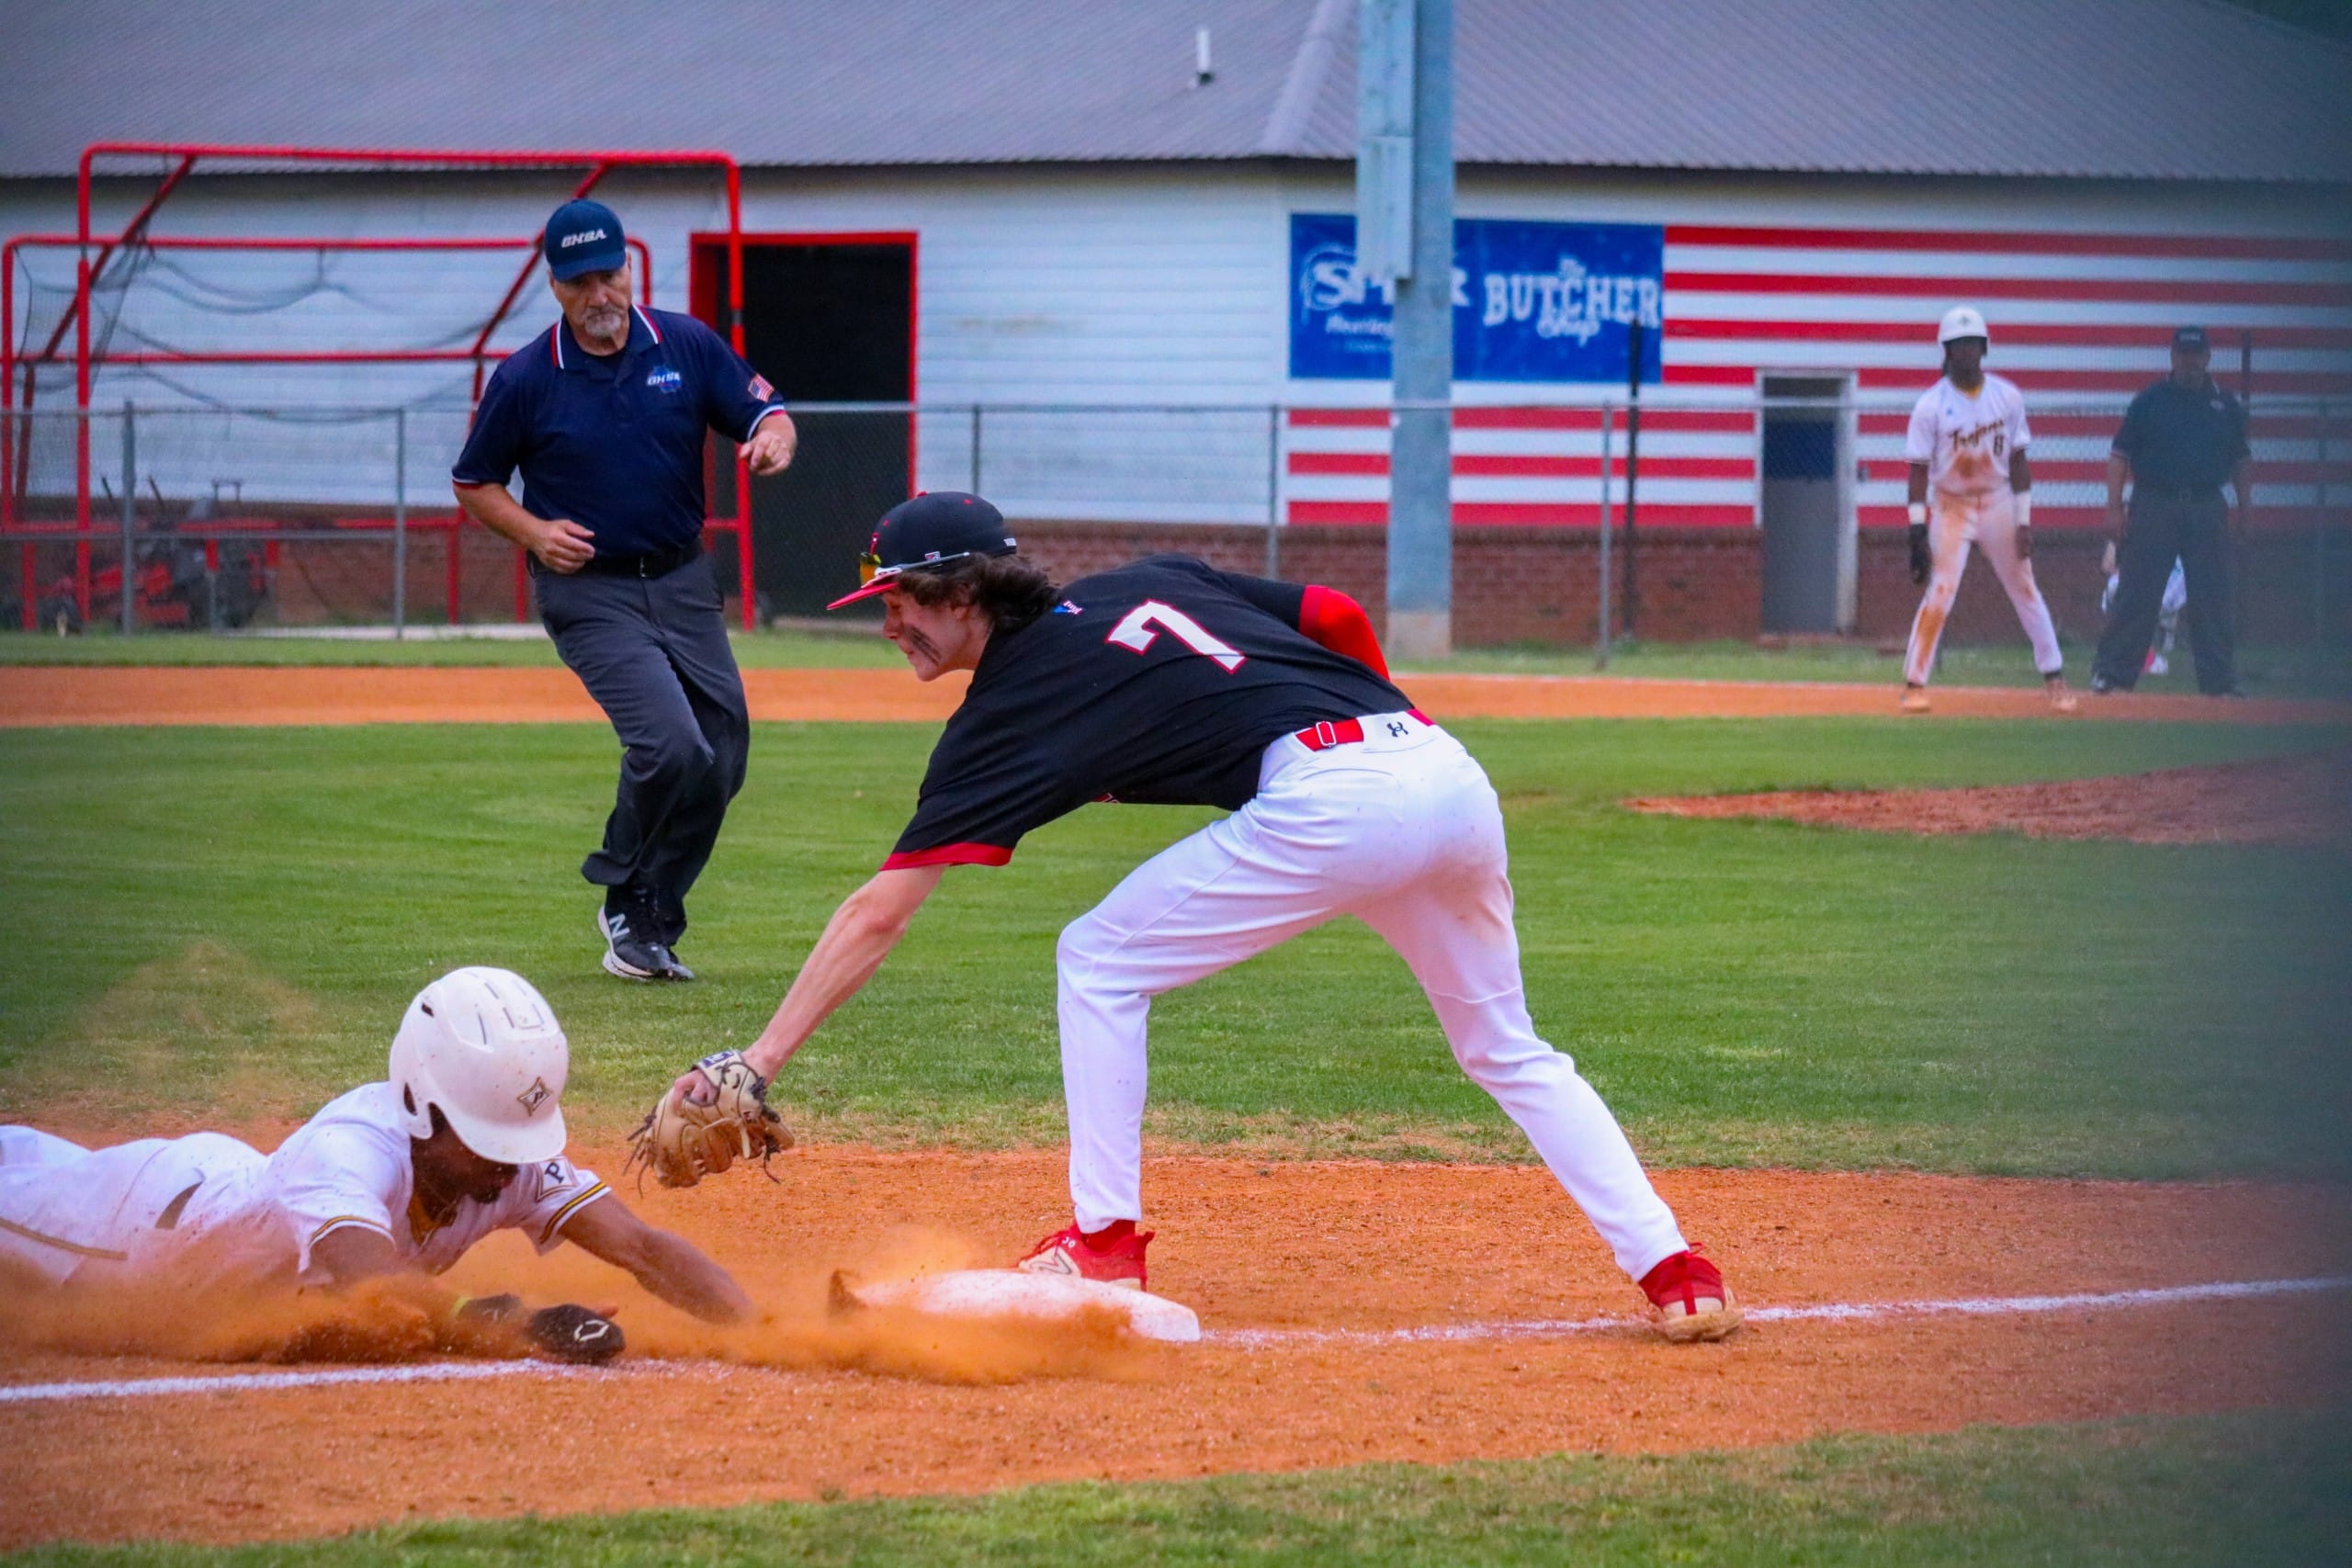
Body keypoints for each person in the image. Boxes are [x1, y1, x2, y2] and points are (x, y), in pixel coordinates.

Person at [649, 492, 1742, 1344]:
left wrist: (759, 1058)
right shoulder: (1148, 575)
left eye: (900, 601)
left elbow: (881, 912)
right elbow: (1334, 616)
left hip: (1330, 799)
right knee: (1507, 1046)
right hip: (1443, 772)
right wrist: (1385, 726)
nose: (887, 625)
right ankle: (1677, 1274)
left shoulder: (1006, 710)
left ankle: (1105, 1242)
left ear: (966, 592)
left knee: (1098, 959)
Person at [0, 967, 749, 1358]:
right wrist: (523, 1324)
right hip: (132, 1230)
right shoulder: (348, 1150)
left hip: (230, 1184)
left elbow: (644, 1249)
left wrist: (763, 1326)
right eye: (491, 1141)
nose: (510, 1166)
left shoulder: (504, 1158)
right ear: (423, 1104)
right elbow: (376, 1284)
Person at [453, 199, 797, 982]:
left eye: (609, 274)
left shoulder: (684, 343)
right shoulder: (527, 378)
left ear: (629, 270)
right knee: (671, 743)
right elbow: (474, 482)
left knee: (724, 752)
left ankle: (648, 914)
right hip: (590, 594)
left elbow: (766, 412)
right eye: (580, 282)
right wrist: (535, 533)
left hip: (680, 579)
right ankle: (619, 881)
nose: (598, 294)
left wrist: (772, 438)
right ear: (555, 286)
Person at [1898, 306, 2076, 715]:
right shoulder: (1930, 405)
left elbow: (2018, 461)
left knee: (2025, 586)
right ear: (1945, 351)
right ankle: (1914, 683)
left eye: (1972, 344)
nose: (1966, 352)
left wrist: (2024, 519)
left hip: (1997, 499)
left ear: (1984, 348)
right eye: (1957, 345)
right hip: (1951, 503)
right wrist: (1915, 530)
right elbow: (1918, 472)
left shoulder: (2007, 397)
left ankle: (2055, 677)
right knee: (1941, 590)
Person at [2091, 326, 2251, 696]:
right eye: (2183, 355)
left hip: (2206, 505)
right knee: (2137, 593)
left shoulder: (2225, 406)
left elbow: (2242, 461)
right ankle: (2112, 676)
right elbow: (2120, 456)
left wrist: (2246, 510)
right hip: (2154, 504)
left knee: (2212, 596)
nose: (2189, 362)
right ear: (2173, 357)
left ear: (2208, 358)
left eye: (2196, 355)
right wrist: (2113, 508)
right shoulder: (2151, 400)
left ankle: (2220, 682)